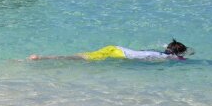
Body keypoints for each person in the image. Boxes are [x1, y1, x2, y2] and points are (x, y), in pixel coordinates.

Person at [29, 39, 189, 61]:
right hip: (118, 53)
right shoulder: (167, 57)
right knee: (84, 58)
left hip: (116, 48)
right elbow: (178, 59)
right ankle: (42, 58)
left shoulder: (161, 52)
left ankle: (44, 58)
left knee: (83, 56)